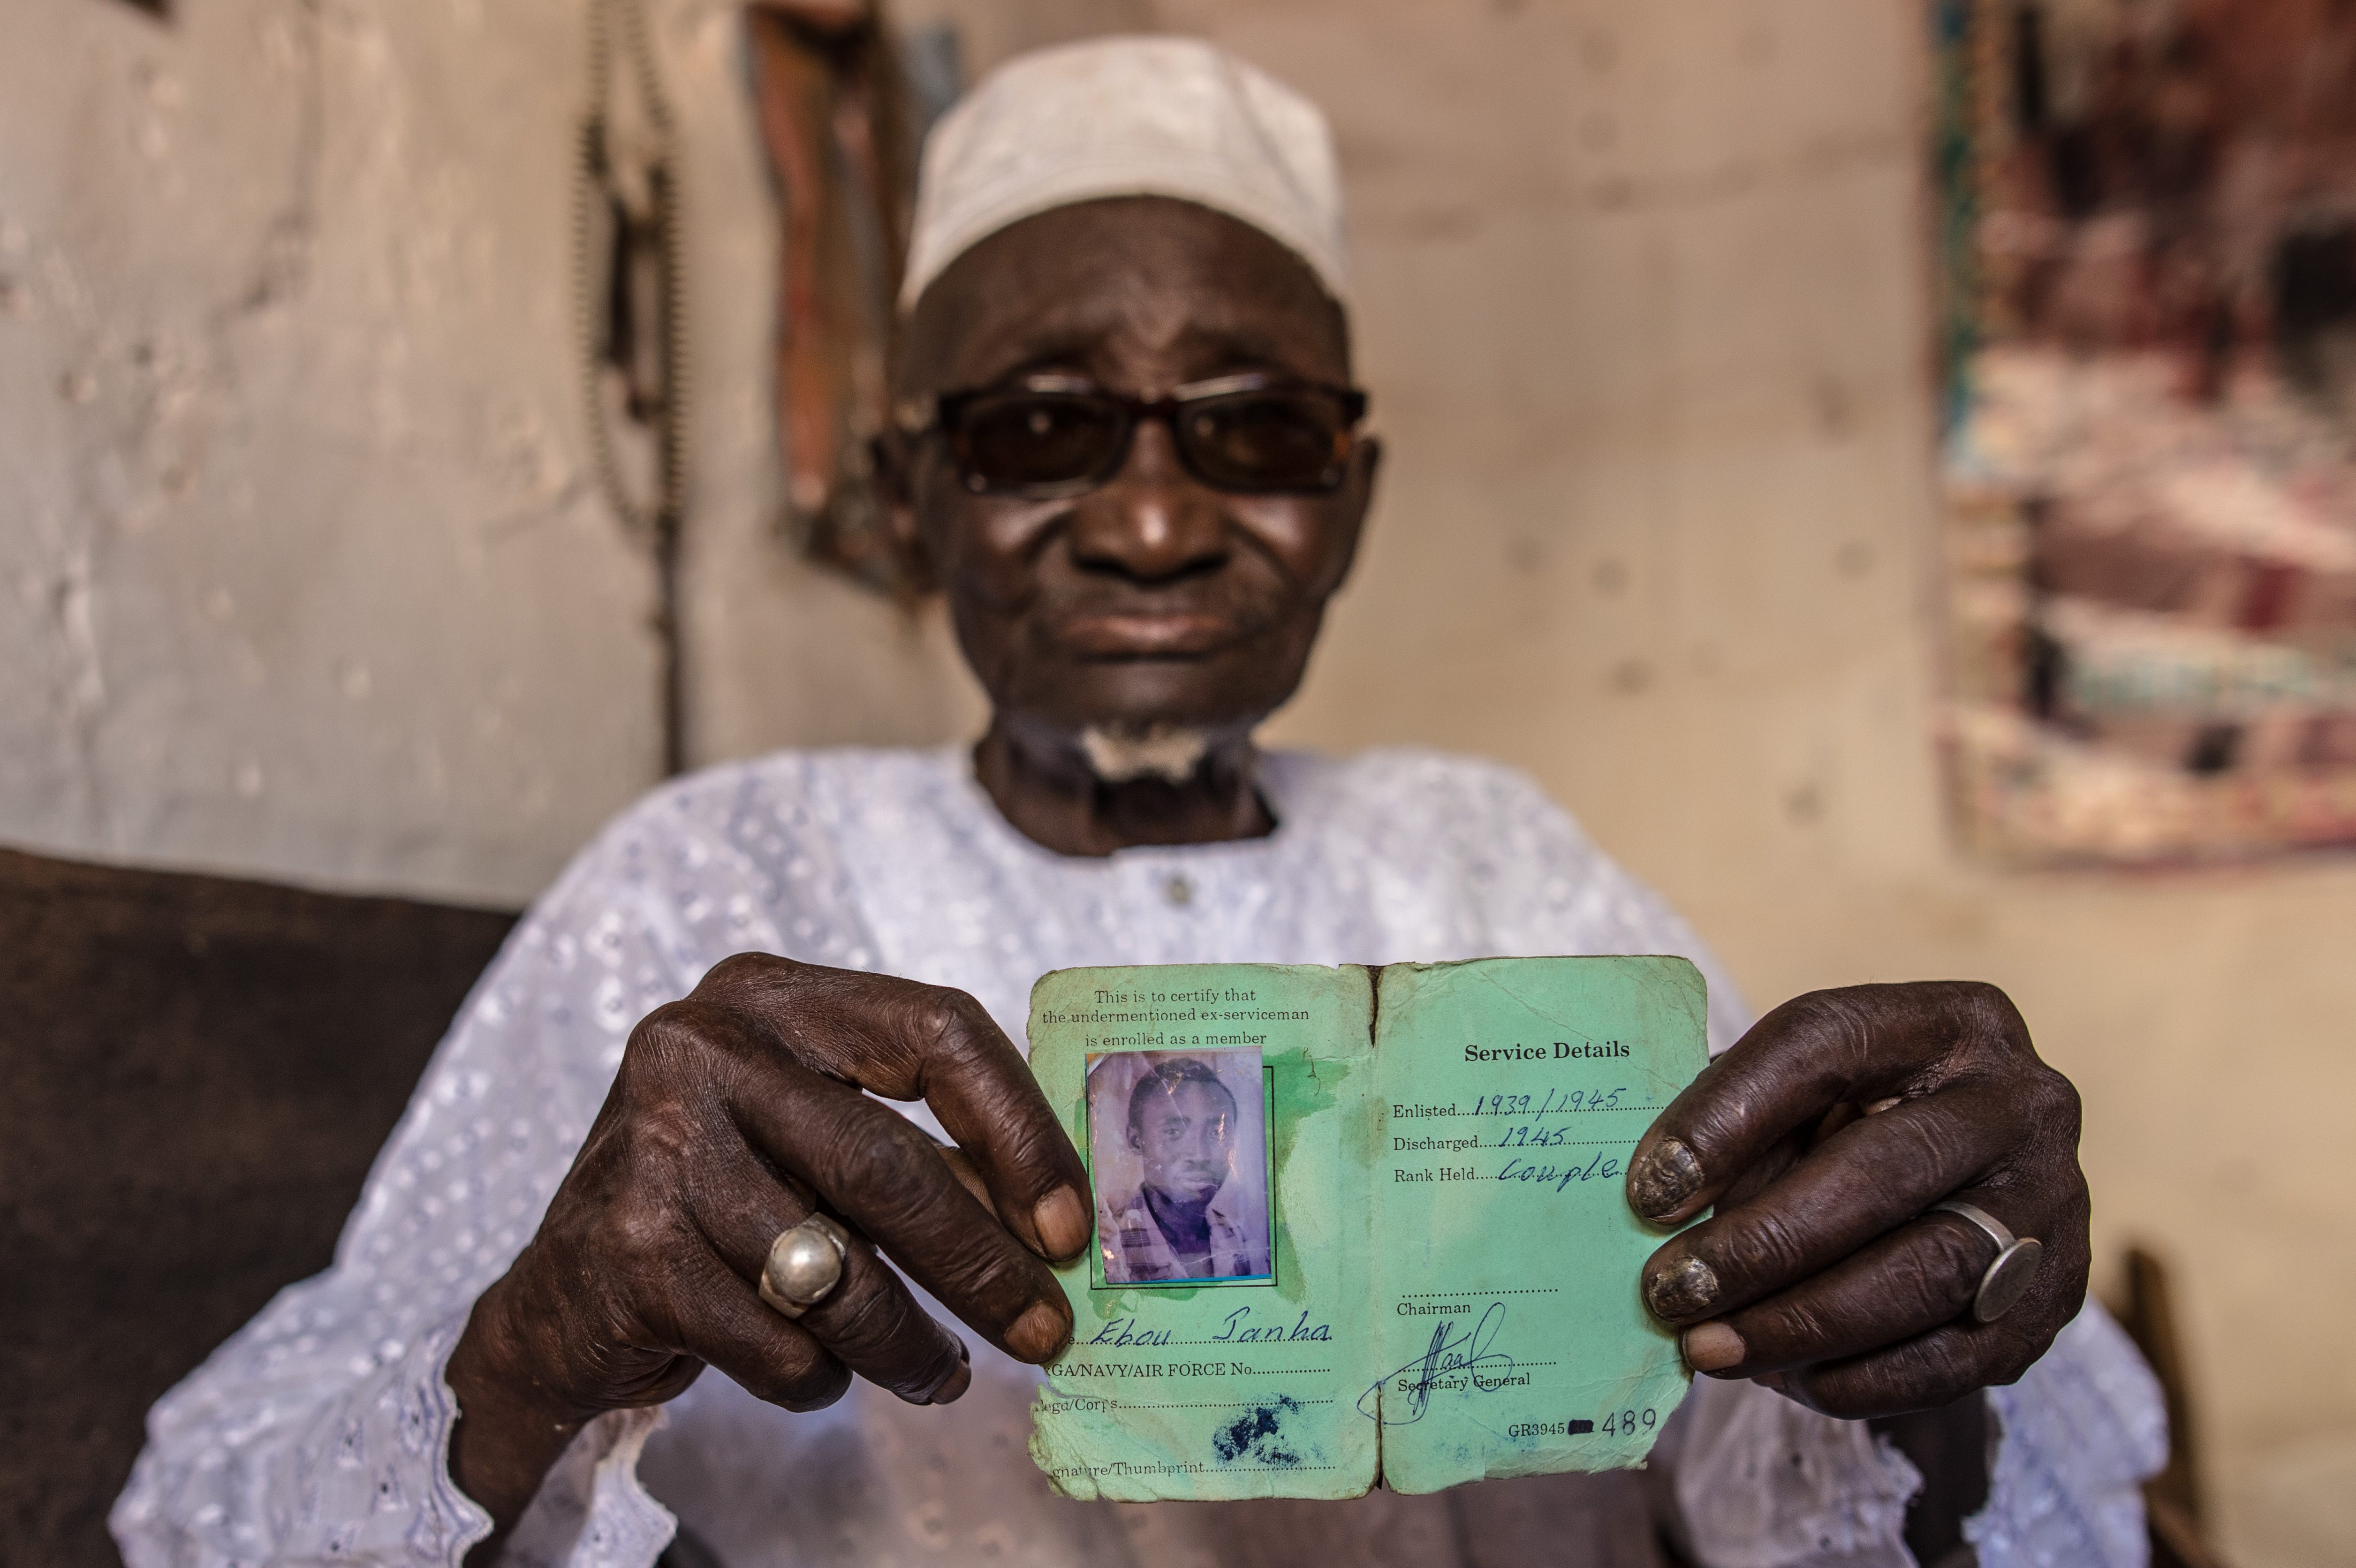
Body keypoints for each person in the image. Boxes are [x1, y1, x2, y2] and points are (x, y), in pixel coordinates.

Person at [112, 35, 2163, 1568]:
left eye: (1252, 430)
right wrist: (536, 1345)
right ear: (916, 499)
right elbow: (219, 1506)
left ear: (1348, 506)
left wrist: (1931, 1312)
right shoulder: (719, 872)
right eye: (1037, 427)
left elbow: (1785, 1451)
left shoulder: (1491, 855)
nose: (1160, 517)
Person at [1097, 1057, 1269, 1285]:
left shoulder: (1237, 1240)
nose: (1199, 1156)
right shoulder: (1109, 1245)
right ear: (1136, 1140)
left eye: (1215, 1133)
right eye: (1173, 1131)